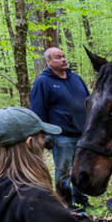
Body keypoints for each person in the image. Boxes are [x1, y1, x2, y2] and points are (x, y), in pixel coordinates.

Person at [29, 46, 91, 207]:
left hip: (82, 133)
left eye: (63, 56)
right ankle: (66, 202)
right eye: (58, 57)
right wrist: (44, 134)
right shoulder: (43, 82)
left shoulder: (75, 78)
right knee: (64, 171)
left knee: (82, 168)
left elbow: (89, 101)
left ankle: (81, 199)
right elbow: (37, 110)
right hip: (61, 135)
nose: (63, 59)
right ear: (48, 61)